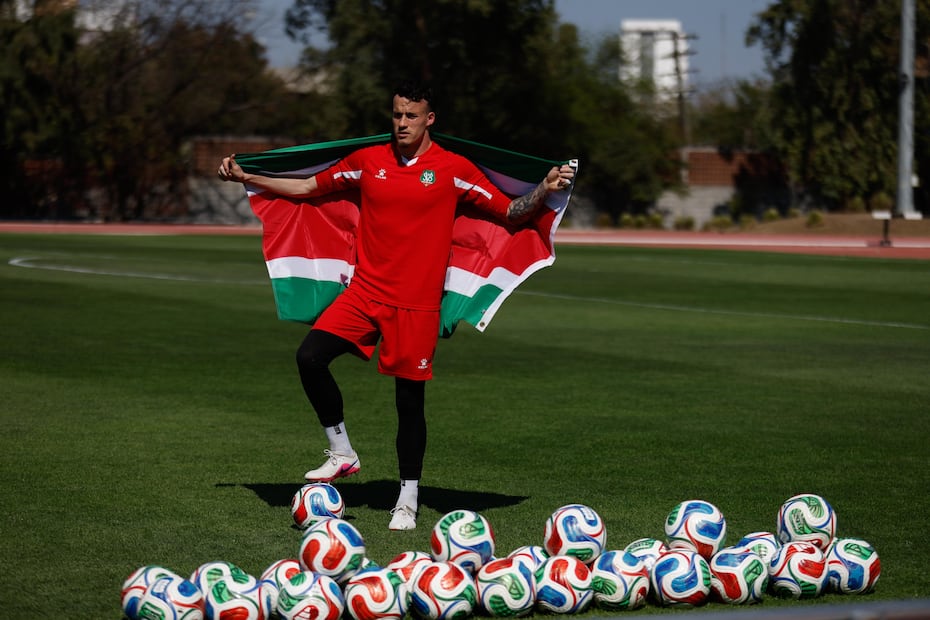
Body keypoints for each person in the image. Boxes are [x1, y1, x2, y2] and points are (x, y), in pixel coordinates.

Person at [218, 81, 574, 530]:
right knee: (309, 356)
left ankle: (407, 498)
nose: (401, 123)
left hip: (417, 305)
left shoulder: (453, 168)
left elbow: (509, 211)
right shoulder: (368, 161)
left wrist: (542, 189)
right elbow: (309, 186)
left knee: (408, 403)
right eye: (396, 115)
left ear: (430, 119)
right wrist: (248, 177)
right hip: (365, 292)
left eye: (411, 116)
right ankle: (342, 453)